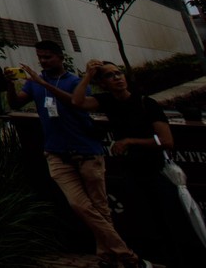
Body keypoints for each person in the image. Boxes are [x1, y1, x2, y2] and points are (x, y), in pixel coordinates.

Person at [10, 40, 143, 267]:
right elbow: (15, 104)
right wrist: (7, 83)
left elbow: (75, 103)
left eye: (48, 57)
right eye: (40, 57)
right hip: (56, 152)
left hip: (85, 150)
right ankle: (126, 254)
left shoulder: (75, 82)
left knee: (99, 207)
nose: (43, 61)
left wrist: (44, 83)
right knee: (80, 205)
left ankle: (106, 255)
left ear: (60, 57)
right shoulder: (33, 83)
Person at [71, 59, 206, 266]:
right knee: (145, 222)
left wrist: (130, 141)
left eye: (118, 73)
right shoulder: (107, 101)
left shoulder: (145, 103)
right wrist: (88, 75)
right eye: (110, 75)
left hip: (156, 171)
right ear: (103, 83)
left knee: (170, 222)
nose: (117, 78)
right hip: (131, 172)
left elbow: (166, 140)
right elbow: (77, 102)